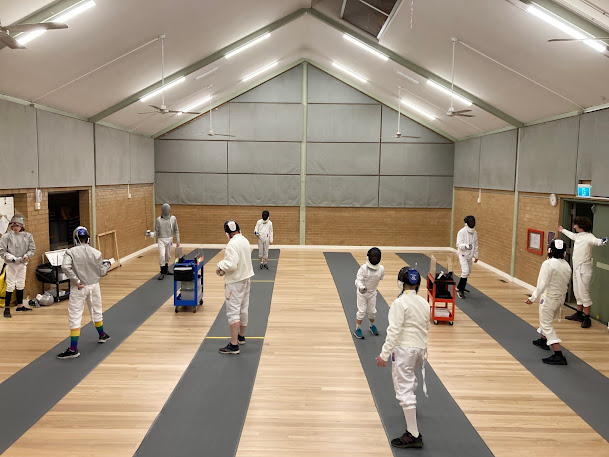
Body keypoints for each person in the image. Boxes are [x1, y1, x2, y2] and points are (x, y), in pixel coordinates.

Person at [376, 267, 430, 449]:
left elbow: (393, 332)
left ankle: (413, 434)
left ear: (400, 283)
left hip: (405, 350)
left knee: (403, 389)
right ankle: (411, 409)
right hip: (420, 350)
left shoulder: (399, 303)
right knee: (410, 380)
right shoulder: (424, 302)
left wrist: (384, 354)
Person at [57, 226, 111, 359]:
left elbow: (65, 266)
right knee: (96, 310)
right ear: (87, 238)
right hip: (94, 285)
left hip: (79, 287)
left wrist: (75, 280)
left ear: (75, 238)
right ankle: (102, 335)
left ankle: (73, 349)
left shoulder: (70, 252)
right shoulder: (96, 252)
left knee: (75, 315)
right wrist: (107, 264)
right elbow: (101, 272)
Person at [525, 239, 571, 365]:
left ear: (550, 250)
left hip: (549, 298)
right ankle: (543, 340)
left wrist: (532, 298)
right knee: (547, 321)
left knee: (546, 324)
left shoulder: (548, 264)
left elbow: (542, 284)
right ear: (563, 253)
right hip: (559, 299)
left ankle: (558, 354)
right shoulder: (566, 265)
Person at [559, 217, 607, 328]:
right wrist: (562, 230)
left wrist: (604, 241)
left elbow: (598, 242)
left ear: (581, 226)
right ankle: (579, 314)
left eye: (576, 225)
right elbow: (572, 235)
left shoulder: (589, 237)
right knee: (577, 292)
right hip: (576, 269)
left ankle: (587, 318)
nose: (575, 226)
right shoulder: (579, 236)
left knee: (584, 293)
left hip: (584, 270)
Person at [216, 220, 255, 355]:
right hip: (246, 279)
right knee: (243, 308)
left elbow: (231, 265)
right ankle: (241, 336)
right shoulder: (244, 240)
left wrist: (220, 266)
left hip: (235, 282)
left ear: (227, 233)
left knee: (233, 311)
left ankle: (234, 345)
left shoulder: (232, 244)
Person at [0, 214, 36, 318]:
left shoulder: (28, 236)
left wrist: (26, 256)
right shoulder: (7, 236)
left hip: (22, 263)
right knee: (10, 285)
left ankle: (20, 305)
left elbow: (32, 249)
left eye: (17, 226)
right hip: (11, 264)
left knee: (21, 284)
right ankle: (7, 308)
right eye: (13, 226)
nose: (15, 228)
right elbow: (2, 251)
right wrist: (12, 258)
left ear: (21, 226)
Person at [353, 247, 384, 339]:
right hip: (362, 293)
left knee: (372, 312)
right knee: (362, 311)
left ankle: (371, 326)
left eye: (376, 256)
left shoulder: (381, 269)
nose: (374, 258)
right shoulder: (363, 268)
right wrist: (361, 287)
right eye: (373, 256)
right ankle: (357, 329)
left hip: (373, 293)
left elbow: (381, 277)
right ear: (368, 257)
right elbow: (357, 281)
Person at [456, 215, 478, 299]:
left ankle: (459, 287)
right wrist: (466, 246)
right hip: (463, 255)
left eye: (473, 221)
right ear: (467, 223)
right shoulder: (461, 232)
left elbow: (476, 245)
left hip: (470, 256)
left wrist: (476, 255)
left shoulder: (475, 232)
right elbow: (458, 244)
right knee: (465, 271)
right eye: (470, 221)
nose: (472, 223)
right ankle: (460, 290)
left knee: (468, 272)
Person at [155, 203, 180, 280]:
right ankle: (162, 272)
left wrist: (178, 240)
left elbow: (176, 229)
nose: (166, 211)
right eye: (165, 210)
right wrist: (150, 234)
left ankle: (166, 270)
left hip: (169, 239)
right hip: (161, 239)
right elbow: (156, 232)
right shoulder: (158, 219)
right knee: (162, 255)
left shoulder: (173, 218)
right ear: (162, 210)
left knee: (168, 256)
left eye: (167, 209)